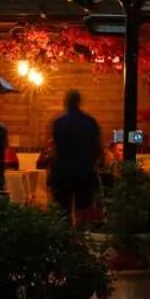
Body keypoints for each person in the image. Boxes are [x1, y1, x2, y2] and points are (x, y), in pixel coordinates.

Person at [47, 90, 104, 224]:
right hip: (84, 171)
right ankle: (84, 237)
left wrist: (51, 169)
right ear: (79, 102)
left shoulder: (59, 122)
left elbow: (53, 149)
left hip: (63, 172)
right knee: (84, 209)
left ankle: (64, 237)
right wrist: (95, 163)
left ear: (66, 102)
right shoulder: (90, 122)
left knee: (62, 211)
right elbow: (98, 147)